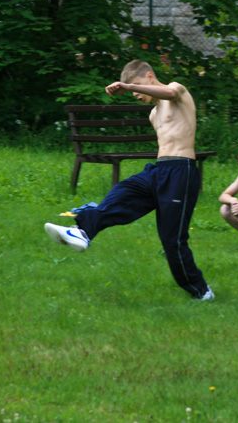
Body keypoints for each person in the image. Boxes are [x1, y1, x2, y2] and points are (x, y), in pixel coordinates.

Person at [44, 60, 214, 300]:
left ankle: (201, 291)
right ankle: (82, 231)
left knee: (172, 239)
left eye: (137, 85)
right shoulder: (154, 113)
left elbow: (170, 93)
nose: (135, 93)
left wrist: (126, 86)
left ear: (150, 76)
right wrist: (129, 86)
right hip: (160, 170)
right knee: (125, 189)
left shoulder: (177, 91)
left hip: (181, 172)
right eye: (132, 89)